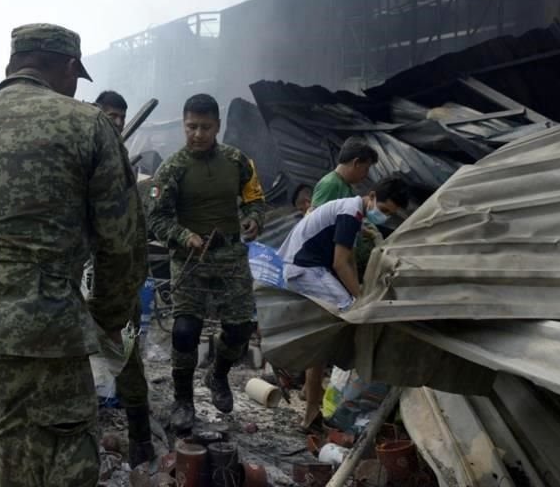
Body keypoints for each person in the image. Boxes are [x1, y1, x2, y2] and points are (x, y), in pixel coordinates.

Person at [0, 23, 148, 487]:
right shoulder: (89, 125)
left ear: (13, 64)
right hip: (41, 334)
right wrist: (107, 317)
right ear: (70, 67)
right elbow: (123, 244)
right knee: (47, 468)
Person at [147, 94, 266, 432]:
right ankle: (183, 400)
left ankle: (218, 375)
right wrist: (183, 235)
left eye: (205, 127)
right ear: (184, 125)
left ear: (218, 126)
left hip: (230, 256)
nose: (197, 134)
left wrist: (254, 219)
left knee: (240, 328)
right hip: (190, 259)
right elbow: (156, 217)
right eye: (191, 127)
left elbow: (255, 199)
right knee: (185, 331)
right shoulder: (171, 169)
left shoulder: (237, 161)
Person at [276, 193, 382, 431]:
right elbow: (340, 263)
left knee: (322, 342)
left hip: (308, 268)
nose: (383, 215)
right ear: (372, 196)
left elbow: (349, 260)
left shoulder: (352, 213)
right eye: (384, 208)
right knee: (352, 313)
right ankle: (295, 368)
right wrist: (359, 300)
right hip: (304, 268)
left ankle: (311, 411)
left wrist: (358, 294)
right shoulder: (350, 212)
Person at [91, 88, 154, 467]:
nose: (116, 122)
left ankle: (141, 439)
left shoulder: (122, 164)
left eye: (120, 116)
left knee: (128, 360)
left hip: (121, 284)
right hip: (83, 281)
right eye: (109, 115)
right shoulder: (84, 158)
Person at [310, 137, 379, 209]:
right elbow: (315, 214)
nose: (366, 174)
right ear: (356, 163)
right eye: (366, 168)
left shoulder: (345, 185)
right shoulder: (330, 184)